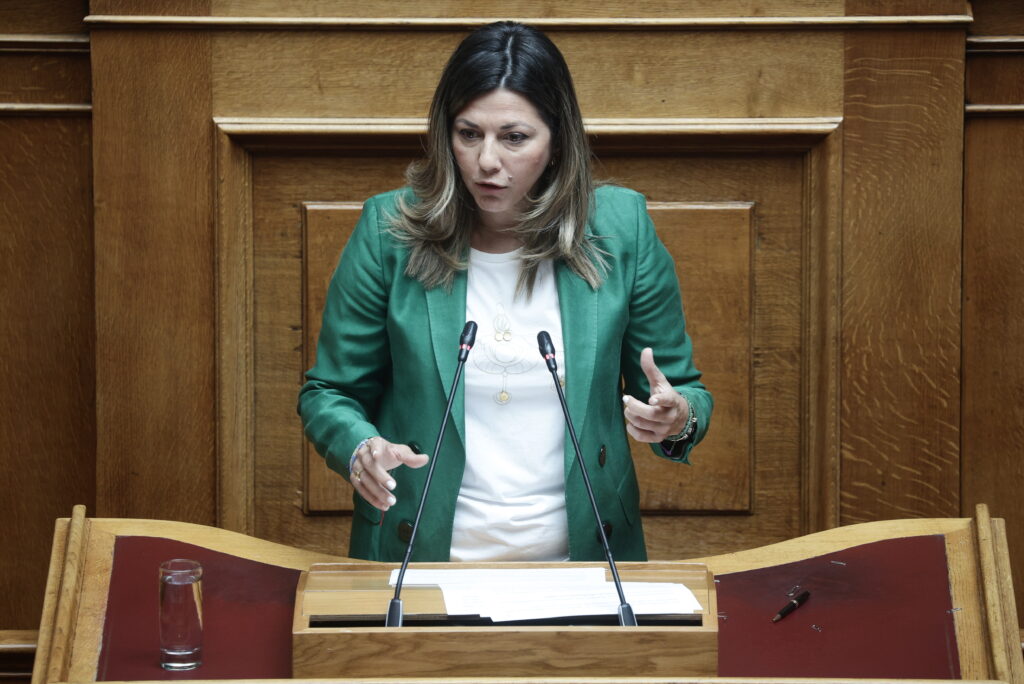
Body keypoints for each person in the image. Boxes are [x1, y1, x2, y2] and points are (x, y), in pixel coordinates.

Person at [299, 21, 712, 563]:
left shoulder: (621, 228)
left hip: (585, 565)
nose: (487, 161)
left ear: (557, 140)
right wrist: (359, 447)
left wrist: (676, 417)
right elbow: (329, 391)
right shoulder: (388, 231)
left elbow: (681, 391)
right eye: (469, 134)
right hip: (419, 558)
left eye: (514, 137)